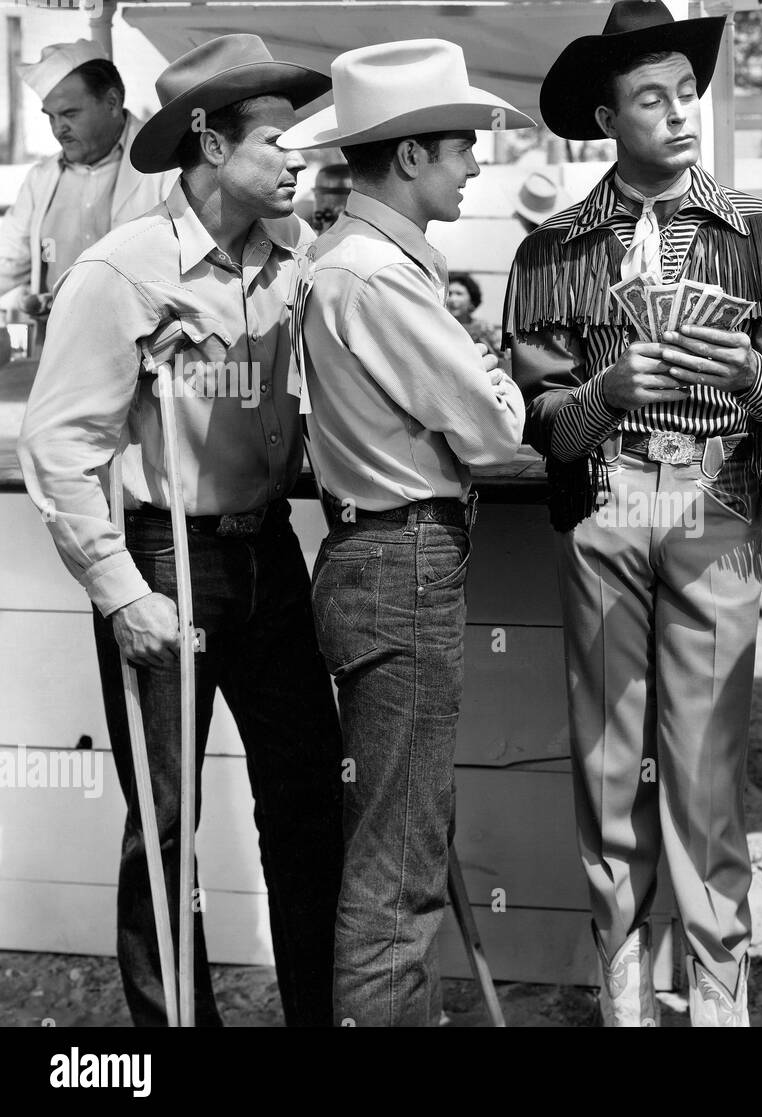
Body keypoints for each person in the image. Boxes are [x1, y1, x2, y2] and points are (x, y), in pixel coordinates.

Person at [505, 0, 762, 1026]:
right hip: (606, 513)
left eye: (689, 93)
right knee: (609, 767)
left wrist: (746, 370)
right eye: (652, 98)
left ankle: (716, 990)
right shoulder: (552, 252)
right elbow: (544, 424)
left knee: (704, 768)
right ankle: (622, 992)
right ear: (607, 118)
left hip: (717, 511)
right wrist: (604, 395)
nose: (681, 113)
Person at [18, 34, 342, 1028]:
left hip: (270, 553)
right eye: (276, 139)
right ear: (206, 139)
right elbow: (59, 443)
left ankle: (317, 1015)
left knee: (309, 805)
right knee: (164, 826)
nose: (297, 159)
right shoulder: (121, 271)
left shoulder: (299, 255)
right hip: (168, 558)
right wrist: (121, 591)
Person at [279, 38, 530, 1027]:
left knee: (399, 839)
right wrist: (495, 372)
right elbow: (493, 422)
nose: (476, 163)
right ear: (414, 156)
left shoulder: (354, 259)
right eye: (463, 145)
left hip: (380, 554)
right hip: (405, 555)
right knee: (399, 866)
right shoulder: (374, 273)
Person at [0, 40, 176, 315]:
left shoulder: (166, 167)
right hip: (57, 338)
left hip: (141, 341)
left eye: (70, 114)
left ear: (112, 102)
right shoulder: (41, 178)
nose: (59, 129)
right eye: (51, 117)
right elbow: (8, 258)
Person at [446, 271, 503, 356]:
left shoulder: (483, 328)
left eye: (459, 294)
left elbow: (502, 355)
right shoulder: (441, 326)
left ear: (471, 299)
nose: (453, 299)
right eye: (449, 294)